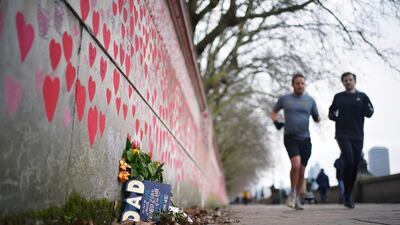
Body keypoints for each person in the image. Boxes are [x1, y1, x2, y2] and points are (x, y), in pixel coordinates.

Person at [271, 73, 320, 210]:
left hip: (305, 139)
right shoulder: (285, 99)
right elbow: (273, 112)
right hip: (290, 137)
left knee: (302, 170)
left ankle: (297, 197)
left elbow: (317, 117)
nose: (300, 85)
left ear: (305, 85)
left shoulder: (310, 100)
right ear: (292, 85)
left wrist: (318, 118)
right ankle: (292, 193)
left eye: (302, 83)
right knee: (296, 165)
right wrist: (276, 122)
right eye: (297, 83)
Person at [329, 72, 374, 208]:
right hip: (342, 134)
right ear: (342, 82)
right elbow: (331, 113)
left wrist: (367, 105)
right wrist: (334, 116)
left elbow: (370, 113)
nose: (348, 82)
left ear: (354, 81)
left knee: (354, 163)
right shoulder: (338, 97)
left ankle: (348, 193)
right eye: (345, 80)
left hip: (358, 135)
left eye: (350, 80)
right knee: (348, 159)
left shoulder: (362, 97)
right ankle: (348, 195)